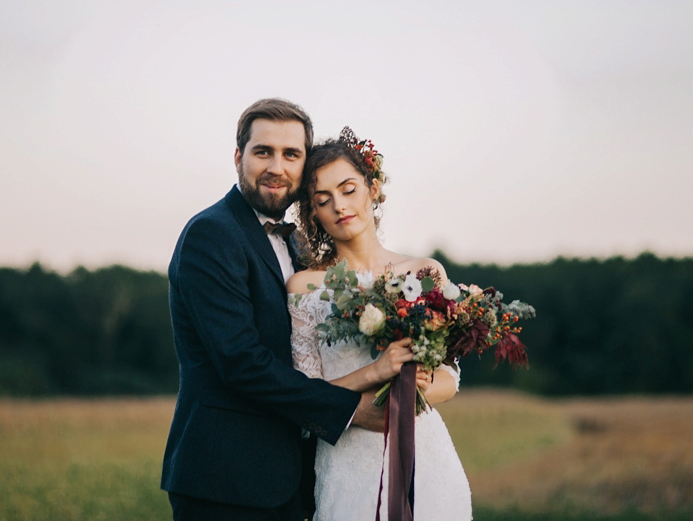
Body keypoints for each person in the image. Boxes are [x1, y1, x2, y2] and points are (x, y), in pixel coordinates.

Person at [161, 99, 412, 521]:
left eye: (291, 154)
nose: (277, 167)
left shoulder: (295, 245)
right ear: (239, 157)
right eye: (263, 152)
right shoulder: (212, 233)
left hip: (295, 479)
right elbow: (241, 361)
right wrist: (352, 407)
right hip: (226, 481)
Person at [286, 132, 473, 521]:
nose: (339, 206)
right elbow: (304, 396)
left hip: (425, 459)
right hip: (347, 463)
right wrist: (376, 372)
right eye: (323, 200)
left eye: (348, 189)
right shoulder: (304, 287)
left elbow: (449, 379)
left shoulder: (424, 272)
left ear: (372, 190)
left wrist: (409, 393)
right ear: (314, 213)